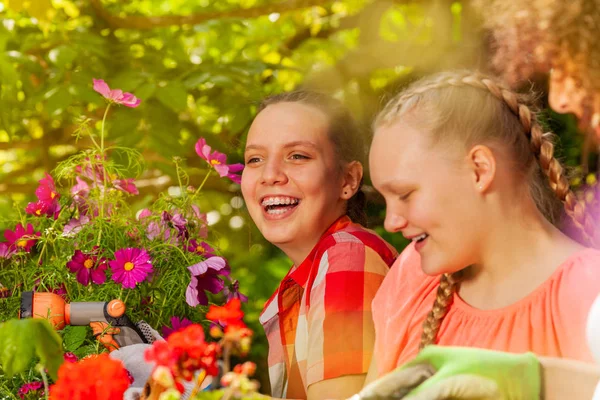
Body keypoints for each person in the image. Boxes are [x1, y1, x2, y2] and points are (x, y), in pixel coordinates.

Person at [364, 70, 600, 398]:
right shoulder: (413, 279)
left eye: (405, 194)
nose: (391, 222)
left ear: (479, 169)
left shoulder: (589, 296)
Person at [241, 91, 397, 399]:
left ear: (348, 180)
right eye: (255, 159)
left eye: (297, 156)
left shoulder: (346, 256)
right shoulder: (312, 273)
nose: (270, 175)